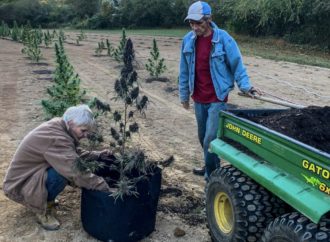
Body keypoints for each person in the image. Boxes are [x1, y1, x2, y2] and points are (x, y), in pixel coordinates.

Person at [179, 1, 261, 179]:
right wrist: (184, 95)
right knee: (203, 137)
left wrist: (246, 87)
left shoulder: (223, 38)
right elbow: (184, 70)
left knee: (210, 139)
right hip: (198, 97)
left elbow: (237, 64)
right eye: (191, 23)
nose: (195, 27)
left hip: (217, 97)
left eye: (198, 23)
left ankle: (211, 177)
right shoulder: (188, 41)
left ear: (209, 19)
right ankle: (212, 166)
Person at [3, 104, 113, 231]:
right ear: (71, 122)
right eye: (83, 130)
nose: (86, 135)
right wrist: (103, 187)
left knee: (63, 167)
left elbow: (73, 153)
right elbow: (76, 171)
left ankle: (42, 197)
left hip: (30, 176)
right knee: (61, 174)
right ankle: (42, 210)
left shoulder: (60, 125)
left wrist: (98, 155)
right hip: (20, 184)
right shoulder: (56, 138)